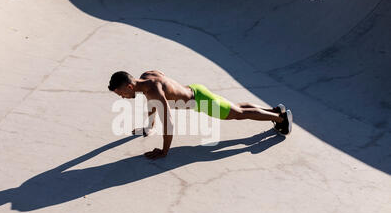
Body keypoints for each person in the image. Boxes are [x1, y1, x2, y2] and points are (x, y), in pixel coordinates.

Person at [108, 70, 292, 159]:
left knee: (237, 113)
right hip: (196, 89)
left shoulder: (153, 91)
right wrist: (148, 127)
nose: (123, 98)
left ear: (130, 86)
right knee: (236, 108)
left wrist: (164, 151)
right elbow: (153, 103)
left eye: (121, 93)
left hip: (202, 102)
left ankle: (281, 119)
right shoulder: (147, 76)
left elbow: (169, 123)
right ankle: (274, 111)